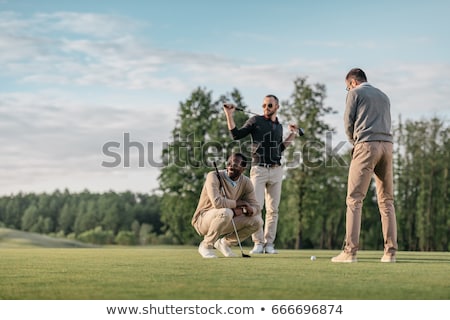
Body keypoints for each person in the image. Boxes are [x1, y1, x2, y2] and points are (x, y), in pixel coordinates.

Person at [332, 68, 398, 263]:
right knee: (386, 201)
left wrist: (355, 142)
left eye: (347, 87)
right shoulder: (384, 96)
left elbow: (347, 123)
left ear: (352, 82)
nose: (348, 90)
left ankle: (350, 252)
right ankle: (390, 253)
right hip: (387, 147)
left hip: (366, 145)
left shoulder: (355, 93)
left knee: (354, 199)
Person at [223, 95, 298, 254]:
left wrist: (293, 134)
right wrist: (229, 115)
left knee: (273, 210)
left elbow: (280, 148)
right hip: (259, 169)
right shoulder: (255, 121)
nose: (266, 108)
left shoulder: (278, 126)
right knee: (256, 207)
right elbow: (236, 135)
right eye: (263, 105)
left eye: (269, 105)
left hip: (277, 170)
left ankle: (269, 244)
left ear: (277, 106)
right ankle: (258, 242)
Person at [191, 153, 263, 258]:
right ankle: (206, 245)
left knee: (257, 221)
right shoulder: (213, 176)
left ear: (243, 168)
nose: (230, 167)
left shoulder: (246, 182)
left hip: (226, 218)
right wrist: (239, 204)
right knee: (226, 212)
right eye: (228, 163)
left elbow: (256, 207)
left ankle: (224, 243)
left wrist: (248, 210)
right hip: (203, 219)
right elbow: (217, 202)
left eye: (234, 165)